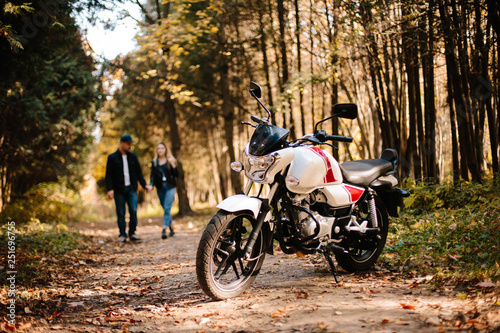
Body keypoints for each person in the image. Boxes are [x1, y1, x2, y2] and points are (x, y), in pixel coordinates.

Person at [105, 134, 152, 243]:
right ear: (122, 143)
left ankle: (132, 233)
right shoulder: (112, 157)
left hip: (131, 189)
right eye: (128, 143)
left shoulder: (133, 157)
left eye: (131, 144)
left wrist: (144, 185)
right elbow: (108, 175)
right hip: (118, 190)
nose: (130, 145)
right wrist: (109, 189)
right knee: (121, 212)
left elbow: (139, 173)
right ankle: (122, 234)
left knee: (133, 210)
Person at [150, 142, 178, 239]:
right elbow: (152, 176)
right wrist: (150, 185)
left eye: (162, 148)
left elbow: (176, 175)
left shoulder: (170, 160)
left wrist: (173, 165)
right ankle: (171, 229)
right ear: (156, 151)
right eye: (158, 148)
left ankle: (164, 228)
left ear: (165, 150)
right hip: (160, 188)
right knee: (166, 209)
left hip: (170, 187)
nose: (160, 150)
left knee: (166, 208)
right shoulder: (154, 162)